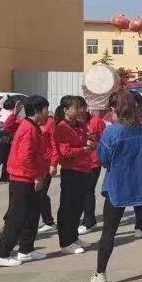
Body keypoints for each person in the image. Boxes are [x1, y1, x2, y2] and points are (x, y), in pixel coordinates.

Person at [92, 89, 142, 282]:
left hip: (118, 186)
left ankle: (100, 274)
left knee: (109, 231)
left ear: (115, 109)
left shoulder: (112, 132)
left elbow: (102, 159)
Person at [0, 95, 51, 267]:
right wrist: (36, 176)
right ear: (38, 111)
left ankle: (26, 249)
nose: (47, 113)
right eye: (46, 109)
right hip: (23, 178)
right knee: (17, 217)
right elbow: (26, 158)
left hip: (29, 177)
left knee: (32, 214)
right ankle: (1, 254)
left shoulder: (32, 126)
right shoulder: (28, 128)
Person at [52, 95, 94, 255]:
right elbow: (64, 152)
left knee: (78, 206)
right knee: (68, 207)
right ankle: (66, 241)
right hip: (71, 171)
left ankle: (74, 237)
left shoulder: (80, 125)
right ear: (66, 110)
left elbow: (84, 141)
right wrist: (82, 150)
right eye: (76, 108)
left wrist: (89, 143)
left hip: (84, 169)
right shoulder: (62, 127)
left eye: (80, 107)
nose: (80, 110)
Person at [80, 106, 108, 235]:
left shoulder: (96, 121)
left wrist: (97, 146)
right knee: (81, 192)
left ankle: (89, 222)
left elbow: (105, 140)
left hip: (93, 162)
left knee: (88, 190)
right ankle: (84, 219)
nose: (79, 111)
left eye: (80, 107)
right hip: (78, 162)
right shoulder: (74, 123)